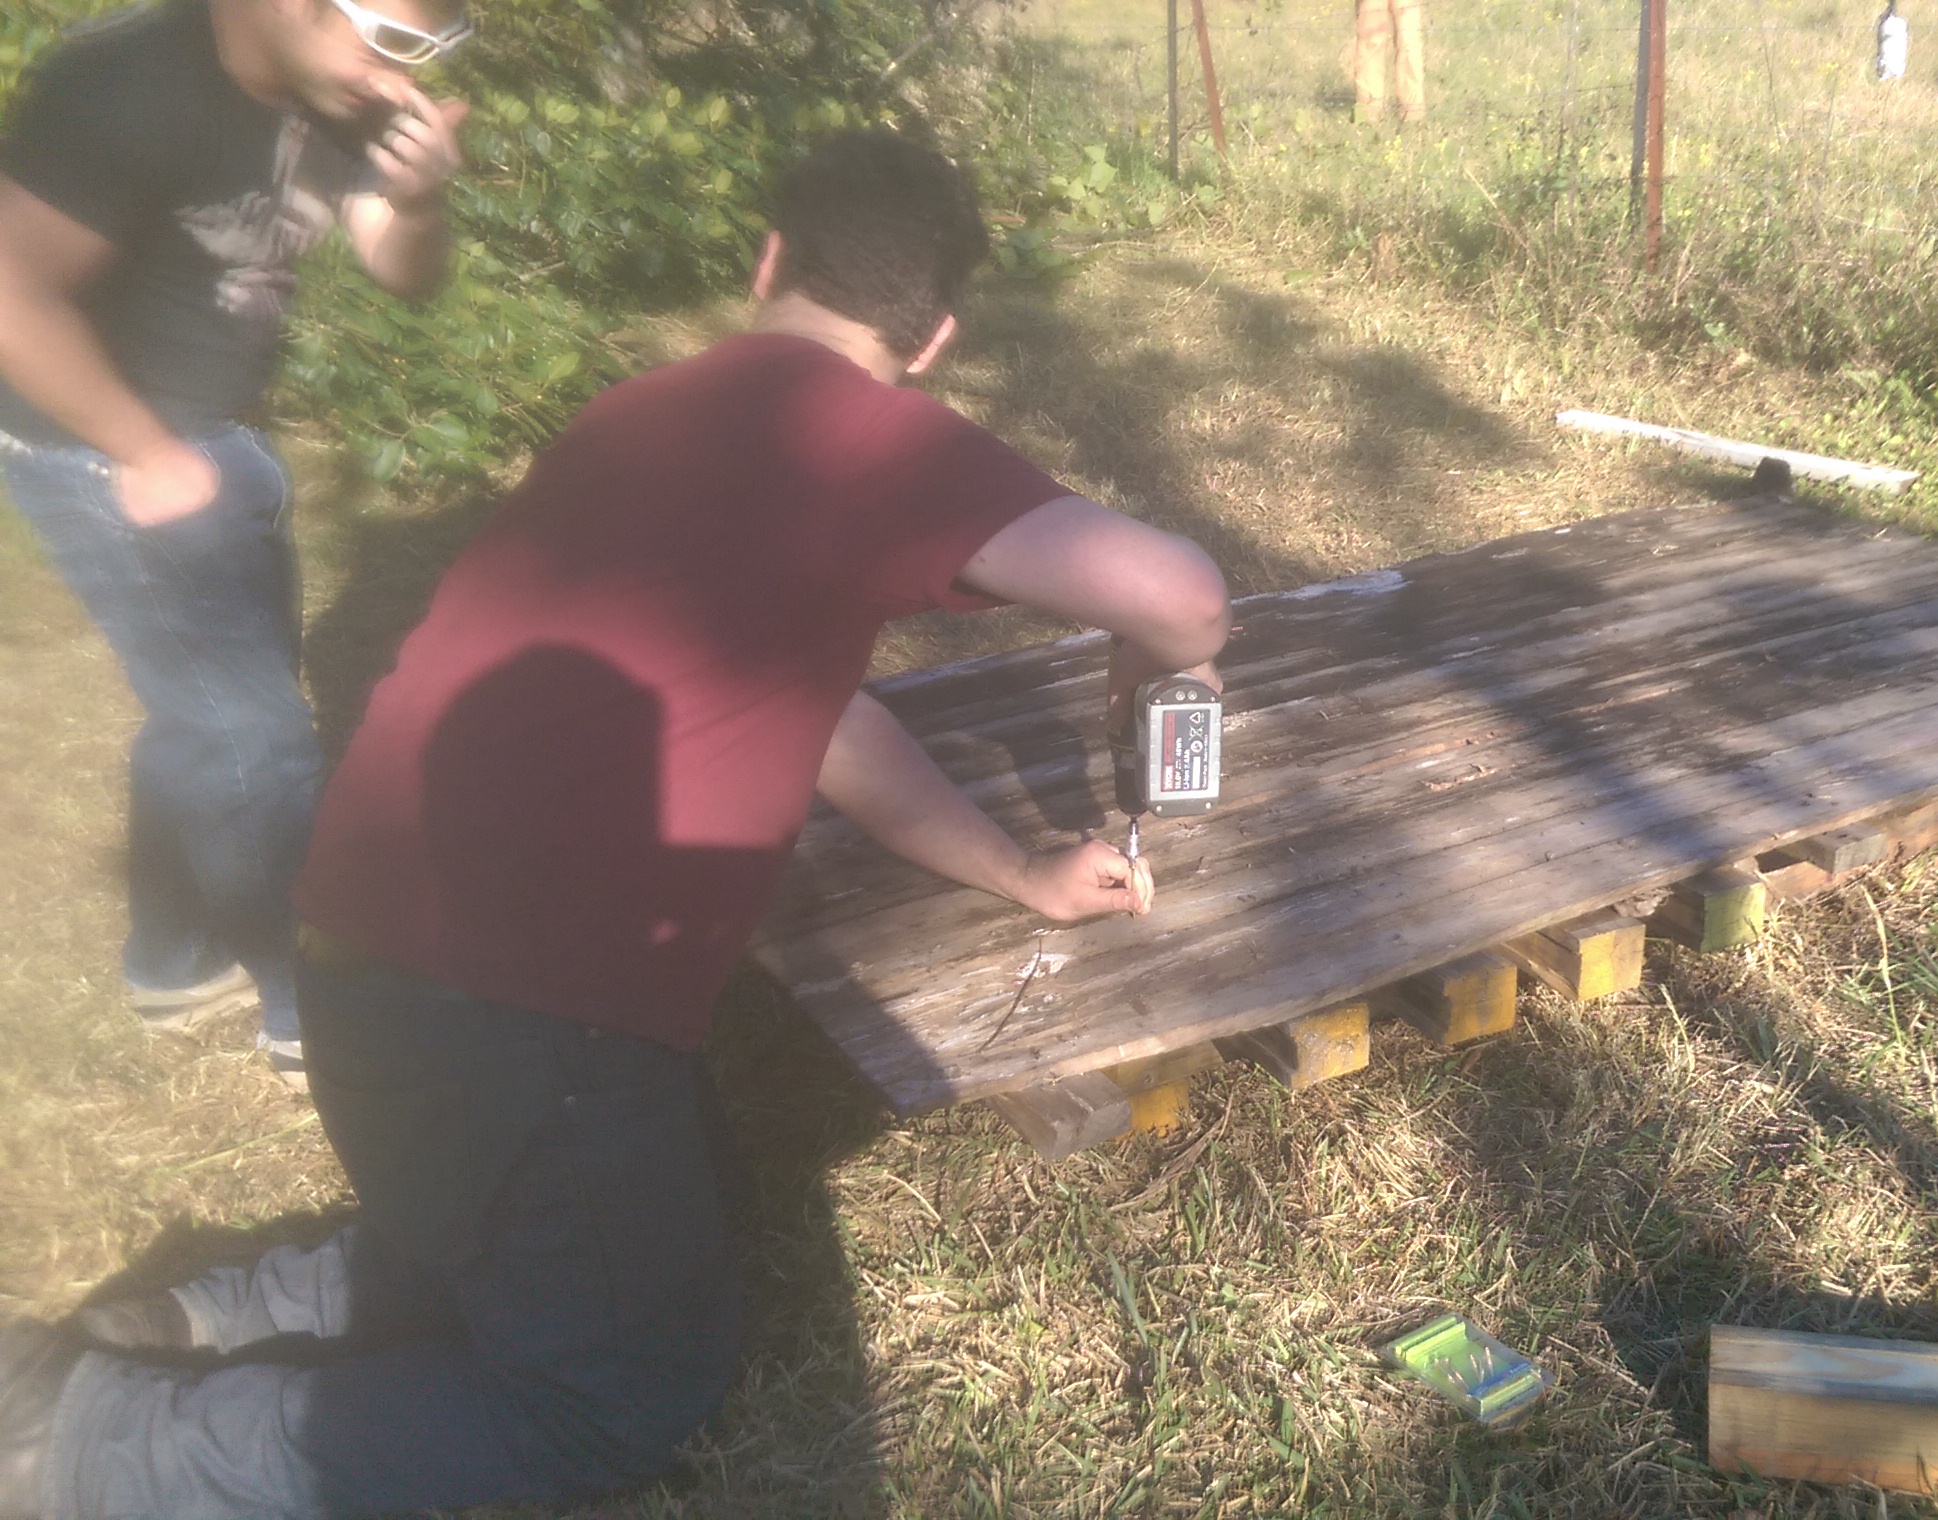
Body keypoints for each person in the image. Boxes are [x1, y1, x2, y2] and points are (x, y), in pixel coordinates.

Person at [0, 128, 1230, 1520]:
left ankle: (206, 1316)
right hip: (521, 1023)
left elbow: (827, 722)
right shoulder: (860, 435)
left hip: (366, 971)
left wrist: (1017, 868)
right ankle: (76, 1447)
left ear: (768, 261)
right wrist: (1154, 652)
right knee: (622, 1394)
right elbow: (1184, 596)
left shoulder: (639, 415)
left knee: (592, 1231)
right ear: (935, 338)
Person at [0, 0, 472, 1090]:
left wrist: (419, 200)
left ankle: (172, 963)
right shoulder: (124, 85)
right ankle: (322, 1015)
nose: (401, 76)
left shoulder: (339, 86)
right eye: (393, 40)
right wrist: (146, 451)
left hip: (216, 438)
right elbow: (12, 292)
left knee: (212, 712)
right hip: (101, 449)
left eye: (430, 50)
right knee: (256, 738)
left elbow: (405, 271)